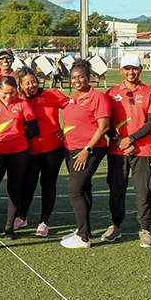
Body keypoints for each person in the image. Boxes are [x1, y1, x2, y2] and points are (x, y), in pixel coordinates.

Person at [101, 54, 151, 247]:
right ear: (121, 70)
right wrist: (119, 141)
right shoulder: (111, 93)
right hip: (117, 150)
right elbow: (106, 121)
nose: (130, 72)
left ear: (140, 70)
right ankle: (115, 225)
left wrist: (131, 139)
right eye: (127, 68)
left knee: (143, 191)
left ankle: (145, 228)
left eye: (134, 68)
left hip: (143, 150)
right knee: (116, 190)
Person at [59, 59, 110, 249]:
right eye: (73, 77)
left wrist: (87, 150)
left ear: (89, 77)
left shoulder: (98, 97)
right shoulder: (74, 98)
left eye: (81, 77)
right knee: (84, 189)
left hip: (88, 150)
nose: (77, 80)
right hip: (70, 149)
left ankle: (83, 238)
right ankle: (83, 230)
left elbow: (103, 127)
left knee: (75, 191)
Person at [0, 75, 38, 240]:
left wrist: (17, 136)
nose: (8, 96)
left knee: (14, 189)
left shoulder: (22, 104)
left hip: (19, 154)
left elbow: (34, 129)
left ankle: (9, 226)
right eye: (4, 93)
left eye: (11, 93)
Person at [16, 67, 69, 237]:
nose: (31, 85)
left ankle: (44, 221)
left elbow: (73, 109)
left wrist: (67, 128)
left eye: (33, 81)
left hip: (52, 148)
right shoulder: (18, 100)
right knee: (28, 185)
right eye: (27, 83)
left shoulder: (52, 94)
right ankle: (22, 216)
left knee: (48, 184)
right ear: (20, 85)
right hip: (29, 150)